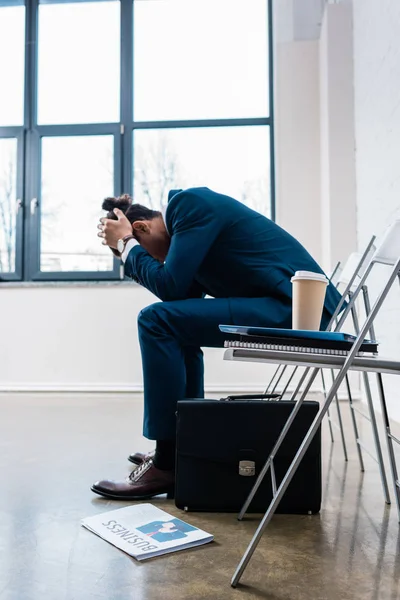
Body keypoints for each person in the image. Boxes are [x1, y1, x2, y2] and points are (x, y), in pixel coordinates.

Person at [92, 187, 342, 501]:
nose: (156, 261)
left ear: (141, 228)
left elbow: (168, 286)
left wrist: (127, 246)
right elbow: (180, 296)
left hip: (301, 309)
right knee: (172, 325)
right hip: (288, 306)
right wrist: (132, 248)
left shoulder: (188, 205)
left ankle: (168, 461)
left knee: (155, 320)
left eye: (149, 253)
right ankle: (185, 446)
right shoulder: (189, 231)